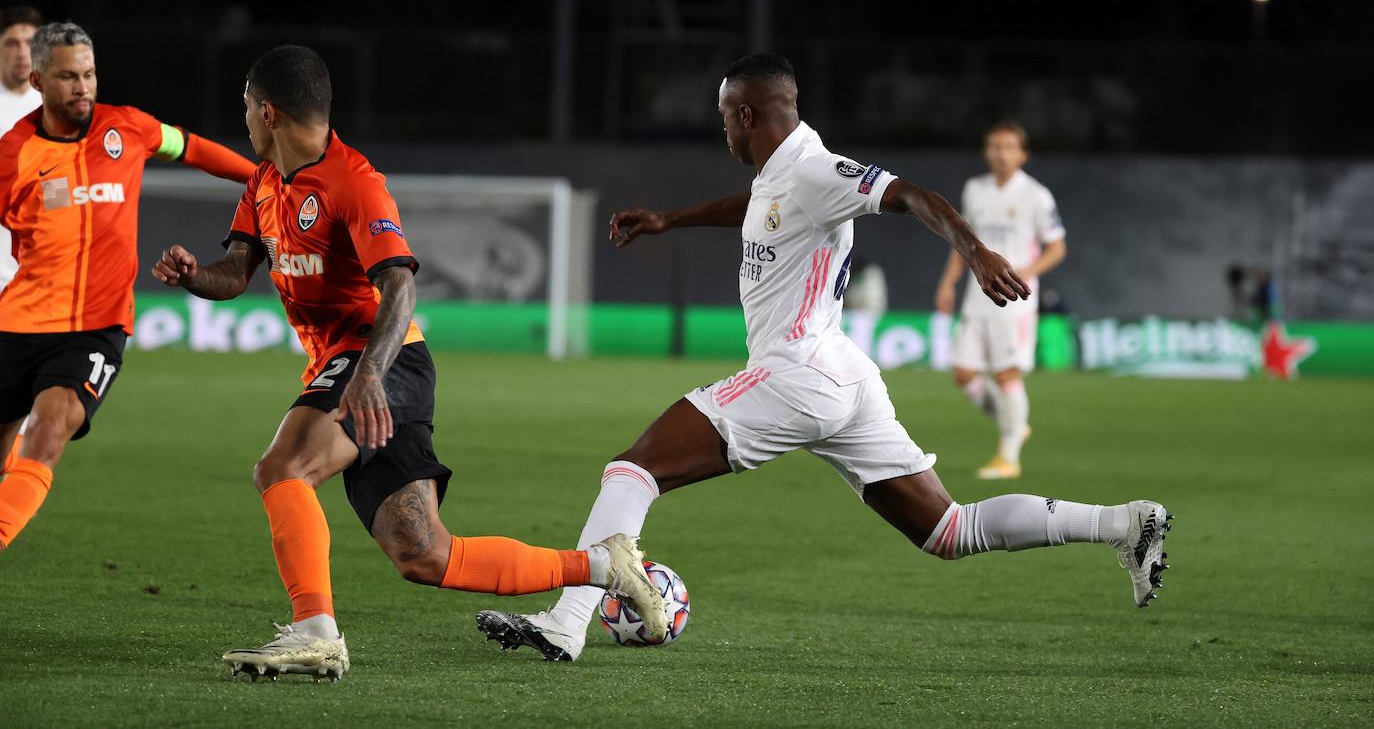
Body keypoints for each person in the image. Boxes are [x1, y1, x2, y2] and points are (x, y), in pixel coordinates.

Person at [476, 53, 1171, 663]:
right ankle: (1123, 523)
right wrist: (671, 220)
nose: (722, 130)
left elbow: (908, 195)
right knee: (948, 529)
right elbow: (757, 205)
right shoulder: (782, 177)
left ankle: (566, 624)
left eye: (724, 116)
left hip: (798, 374)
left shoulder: (814, 168)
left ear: (746, 113)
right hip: (842, 376)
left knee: (632, 471)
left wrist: (974, 249)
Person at [151, 45, 666, 682]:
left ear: (268, 111)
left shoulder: (353, 181)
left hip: (382, 362)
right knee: (423, 554)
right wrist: (196, 275)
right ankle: (604, 567)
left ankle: (315, 632)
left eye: (247, 110)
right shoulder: (262, 183)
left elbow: (399, 283)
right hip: (358, 372)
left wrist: (368, 373)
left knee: (283, 466)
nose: (246, 123)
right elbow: (237, 269)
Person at [0, 22, 256, 540]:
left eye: (90, 74)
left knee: (49, 432)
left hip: (96, 327)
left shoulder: (128, 129)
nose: (83, 88)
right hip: (19, 321)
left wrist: (261, 177)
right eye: (69, 77)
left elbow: (193, 149)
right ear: (38, 80)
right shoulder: (12, 155)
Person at [934, 121, 1067, 479]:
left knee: (1007, 374)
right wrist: (948, 284)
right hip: (977, 297)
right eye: (994, 146)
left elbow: (1057, 247)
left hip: (1016, 299)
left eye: (1009, 147)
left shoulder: (1036, 196)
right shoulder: (974, 190)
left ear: (1022, 153)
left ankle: (1009, 455)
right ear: (986, 152)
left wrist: (1028, 270)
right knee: (964, 374)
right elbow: (964, 244)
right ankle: (1014, 423)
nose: (1001, 153)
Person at [0, 6, 45, 291]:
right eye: (12, 43)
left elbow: (62, 178)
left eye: (30, 44)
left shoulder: (52, 106)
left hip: (35, 263)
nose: (21, 52)